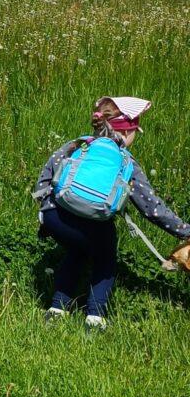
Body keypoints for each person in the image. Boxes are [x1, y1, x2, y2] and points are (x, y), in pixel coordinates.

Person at [33, 94, 190, 331]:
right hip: (93, 225)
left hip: (56, 216)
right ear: (126, 132)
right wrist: (185, 230)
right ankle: (95, 318)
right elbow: (153, 209)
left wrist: (45, 210)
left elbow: (46, 175)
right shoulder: (126, 162)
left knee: (78, 249)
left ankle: (56, 311)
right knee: (104, 258)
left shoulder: (78, 145)